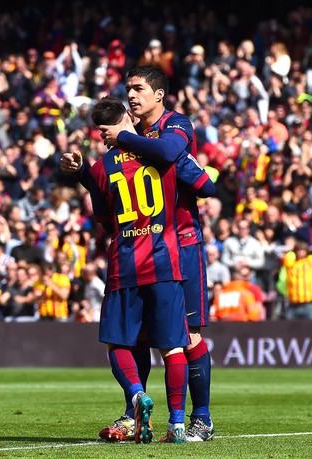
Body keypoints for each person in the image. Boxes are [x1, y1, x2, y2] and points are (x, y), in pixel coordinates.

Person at [60, 94, 209, 444]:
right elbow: (206, 185)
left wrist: (90, 168)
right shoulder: (158, 154)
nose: (132, 94)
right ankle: (170, 422)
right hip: (165, 254)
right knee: (169, 344)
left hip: (138, 257)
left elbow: (106, 220)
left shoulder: (164, 132)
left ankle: (152, 402)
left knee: (126, 341)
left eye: (137, 87)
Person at [97, 66, 216, 442]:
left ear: (159, 94)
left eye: (139, 88)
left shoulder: (175, 124)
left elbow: (179, 162)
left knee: (188, 334)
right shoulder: (132, 138)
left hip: (181, 241)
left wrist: (127, 140)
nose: (131, 95)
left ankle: (200, 418)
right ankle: (135, 411)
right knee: (140, 337)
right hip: (141, 245)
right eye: (128, 89)